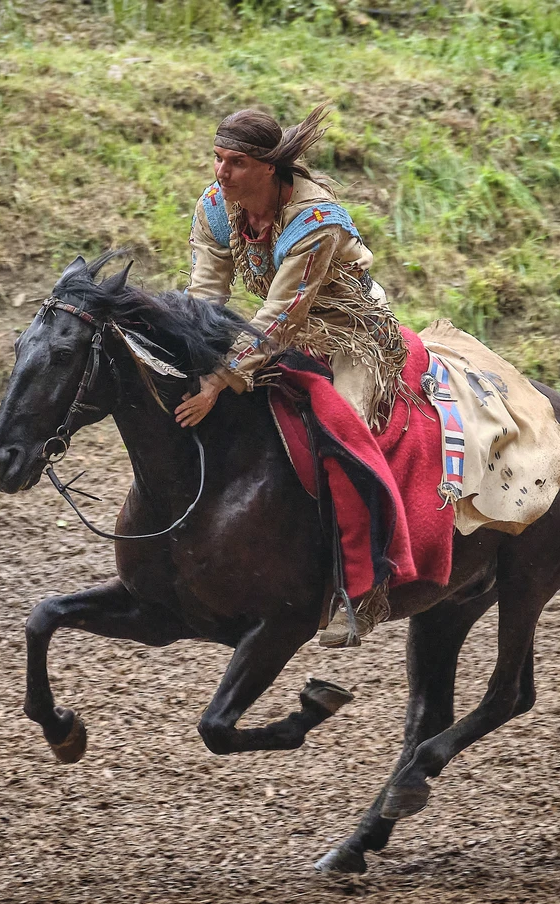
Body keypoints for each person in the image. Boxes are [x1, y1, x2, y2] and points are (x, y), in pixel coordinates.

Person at [174, 103, 406, 647]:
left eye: (234, 162)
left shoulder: (314, 221)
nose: (220, 172)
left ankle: (363, 587)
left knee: (343, 436)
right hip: (278, 328)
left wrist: (219, 380)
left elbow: (283, 314)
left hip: (350, 331)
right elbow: (207, 296)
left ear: (269, 168)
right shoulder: (216, 206)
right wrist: (194, 357)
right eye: (217, 158)